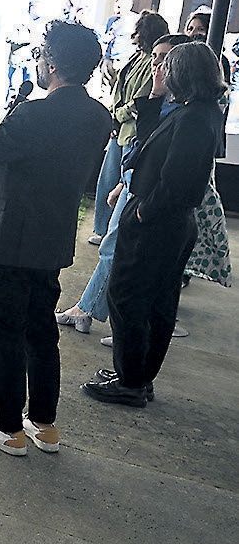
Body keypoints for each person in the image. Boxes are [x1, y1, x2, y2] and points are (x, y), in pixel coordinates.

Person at [0, 20, 111, 455]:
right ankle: (43, 424)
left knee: (4, 335)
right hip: (51, 240)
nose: (36, 62)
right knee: (40, 333)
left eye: (40, 54)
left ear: (52, 64)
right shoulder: (99, 117)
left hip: (5, 242)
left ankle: (8, 428)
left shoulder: (35, 114)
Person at [82, 42, 226, 407]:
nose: (158, 71)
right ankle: (136, 375)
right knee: (153, 300)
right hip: (165, 220)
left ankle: (131, 382)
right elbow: (147, 147)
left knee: (128, 296)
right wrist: (153, 98)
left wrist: (143, 212)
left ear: (183, 74)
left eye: (166, 67)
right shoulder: (198, 110)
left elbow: (177, 180)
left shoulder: (194, 118)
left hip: (158, 221)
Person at [56, 35, 187, 334]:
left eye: (164, 59)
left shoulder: (181, 111)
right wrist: (124, 183)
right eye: (155, 56)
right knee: (115, 248)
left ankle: (95, 313)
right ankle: (99, 314)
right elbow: (144, 148)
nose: (155, 64)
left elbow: (162, 160)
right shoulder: (165, 103)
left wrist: (141, 204)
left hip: (145, 195)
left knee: (116, 249)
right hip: (135, 184)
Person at [89, 11, 168, 244]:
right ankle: (101, 229)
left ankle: (113, 233)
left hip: (132, 131)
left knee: (125, 183)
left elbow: (142, 98)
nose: (134, 33)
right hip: (119, 129)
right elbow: (120, 90)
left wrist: (118, 116)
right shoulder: (136, 57)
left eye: (138, 29)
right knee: (107, 180)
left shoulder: (151, 63)